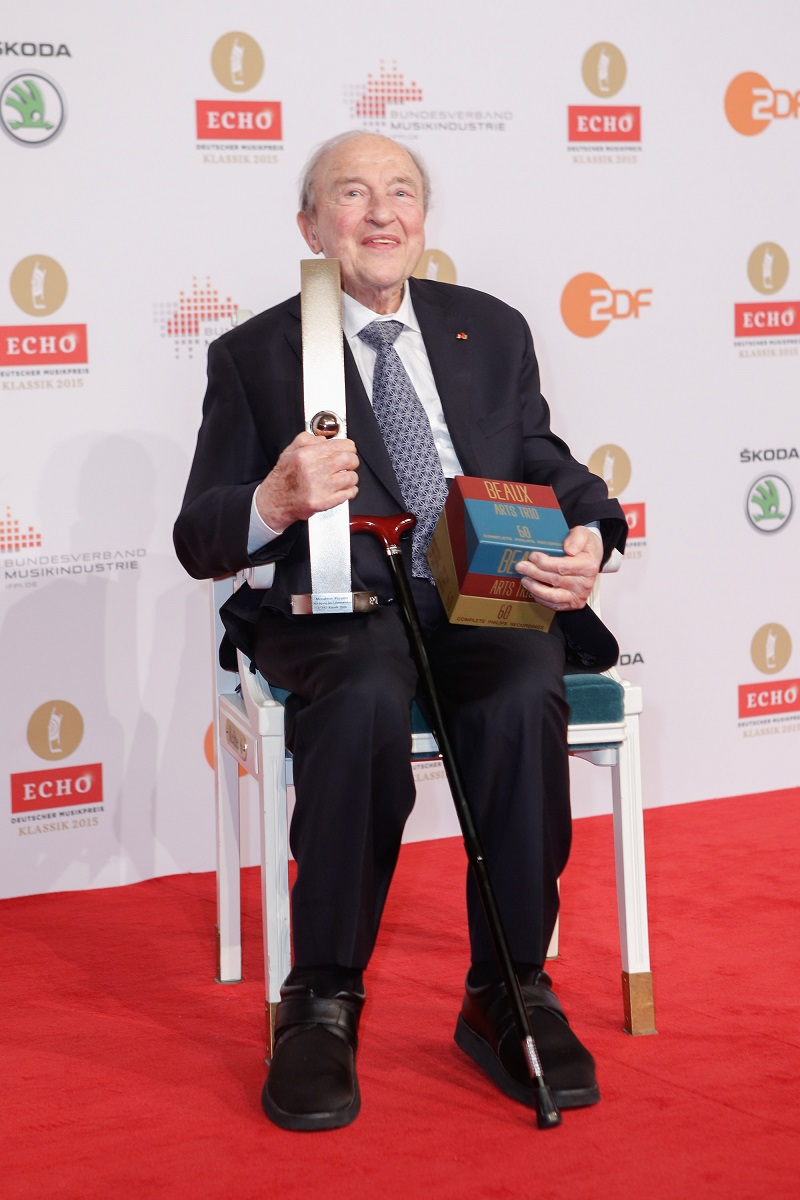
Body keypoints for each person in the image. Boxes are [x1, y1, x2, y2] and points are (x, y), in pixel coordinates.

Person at [174, 130, 627, 1132]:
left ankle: (508, 988)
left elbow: (543, 459)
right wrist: (271, 500)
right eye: (351, 193)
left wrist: (593, 531)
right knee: (366, 695)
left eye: (400, 192)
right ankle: (321, 998)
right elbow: (199, 536)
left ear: (422, 218)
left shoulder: (489, 329)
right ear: (310, 225)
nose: (380, 213)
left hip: (476, 595)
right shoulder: (255, 353)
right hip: (337, 610)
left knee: (523, 690)